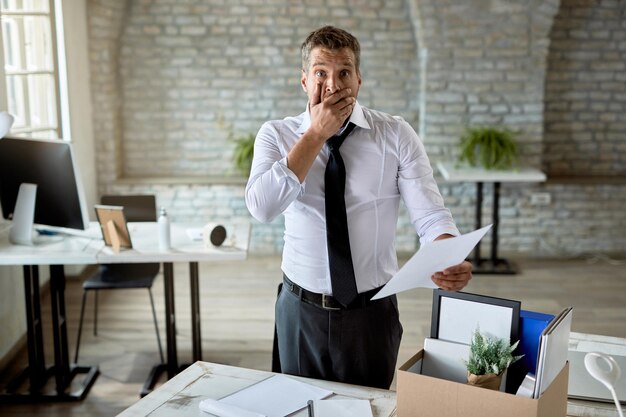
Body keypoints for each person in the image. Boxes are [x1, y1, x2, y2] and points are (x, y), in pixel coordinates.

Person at [245, 26, 472, 389]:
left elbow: (429, 214)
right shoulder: (276, 135)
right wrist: (315, 135)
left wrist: (447, 252)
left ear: (359, 80)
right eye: (321, 73)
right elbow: (262, 207)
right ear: (304, 81)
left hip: (371, 313)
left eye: (343, 73)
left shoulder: (396, 134)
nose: (332, 85)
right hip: (301, 310)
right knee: (296, 408)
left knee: (371, 409)